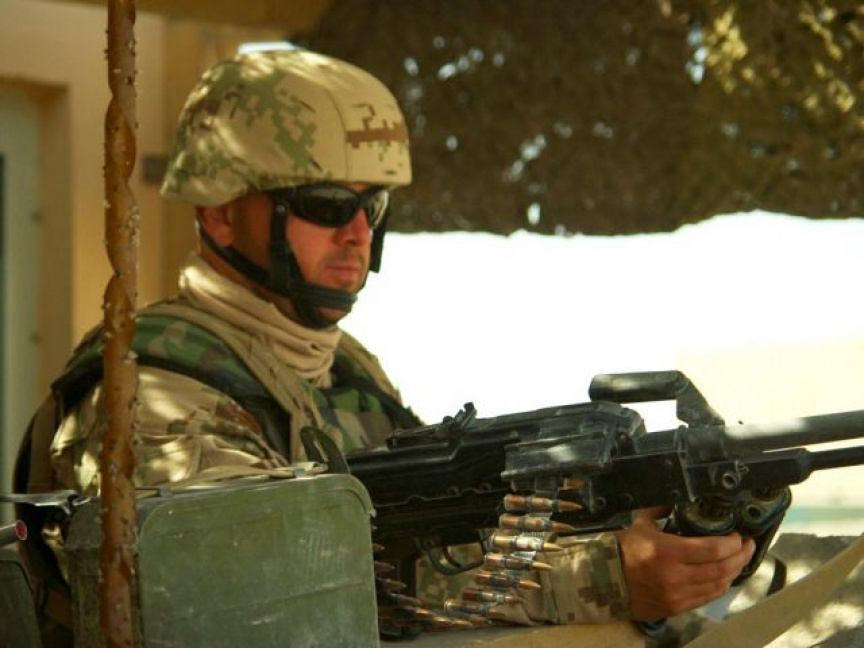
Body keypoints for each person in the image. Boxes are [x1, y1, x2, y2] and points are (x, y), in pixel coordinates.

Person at [15, 48, 753, 646]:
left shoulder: (342, 367)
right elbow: (269, 591)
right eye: (326, 205)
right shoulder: (151, 389)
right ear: (220, 215)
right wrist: (596, 577)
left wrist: (615, 521)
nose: (358, 233)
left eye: (373, 205)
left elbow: (430, 530)